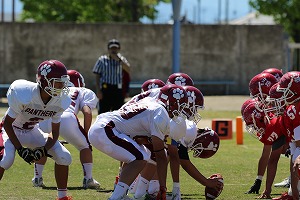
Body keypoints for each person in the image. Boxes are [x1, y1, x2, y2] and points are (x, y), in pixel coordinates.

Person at [88, 84, 188, 200]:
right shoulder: (161, 115)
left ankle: (121, 194)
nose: (181, 110)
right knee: (140, 157)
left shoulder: (151, 102)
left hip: (104, 126)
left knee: (143, 153)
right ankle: (116, 197)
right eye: (181, 105)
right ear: (172, 102)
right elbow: (160, 156)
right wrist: (162, 187)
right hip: (106, 129)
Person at [0, 60, 72, 200]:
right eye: (57, 82)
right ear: (44, 81)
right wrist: (20, 149)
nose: (62, 86)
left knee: (64, 157)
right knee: (5, 160)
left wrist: (44, 149)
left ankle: (62, 197)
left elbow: (54, 132)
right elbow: (8, 124)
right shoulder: (24, 93)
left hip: (32, 131)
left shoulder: (61, 100)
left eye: (63, 82)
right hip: (11, 130)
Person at [32, 69, 100, 189]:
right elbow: (87, 112)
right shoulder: (83, 91)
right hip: (65, 117)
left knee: (44, 145)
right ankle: (88, 179)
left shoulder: (55, 89)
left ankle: (37, 178)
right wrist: (86, 134)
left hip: (45, 117)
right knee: (84, 146)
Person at [92, 38, 131, 114]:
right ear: (108, 49)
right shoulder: (102, 60)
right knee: (103, 112)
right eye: (112, 48)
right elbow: (97, 75)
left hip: (117, 89)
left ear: (119, 49)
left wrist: (119, 60)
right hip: (106, 88)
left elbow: (128, 69)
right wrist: (98, 90)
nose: (113, 50)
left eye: (115, 48)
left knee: (117, 113)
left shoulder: (122, 59)